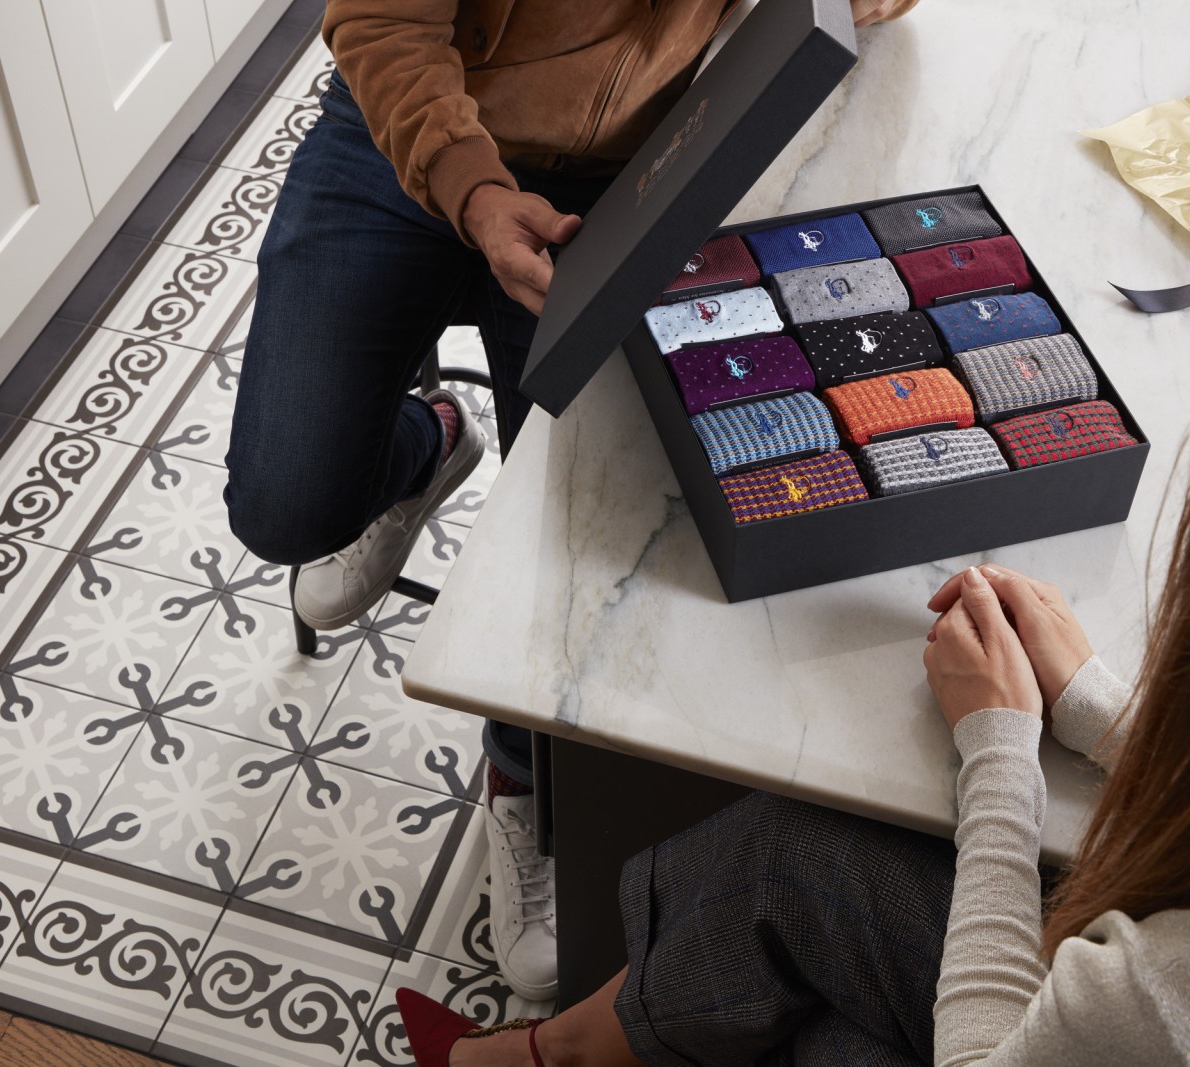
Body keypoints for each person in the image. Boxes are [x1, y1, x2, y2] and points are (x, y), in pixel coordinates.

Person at [392, 165, 1190, 1064]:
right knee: (795, 859)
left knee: (827, 1021)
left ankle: (546, 1055)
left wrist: (999, 750)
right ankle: (555, 1053)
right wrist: (1096, 708)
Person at [223, 0, 919, 1001]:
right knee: (284, 508)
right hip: (405, 130)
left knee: (575, 544)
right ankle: (429, 447)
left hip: (628, 167)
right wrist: (471, 187)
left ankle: (521, 776)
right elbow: (379, 22)